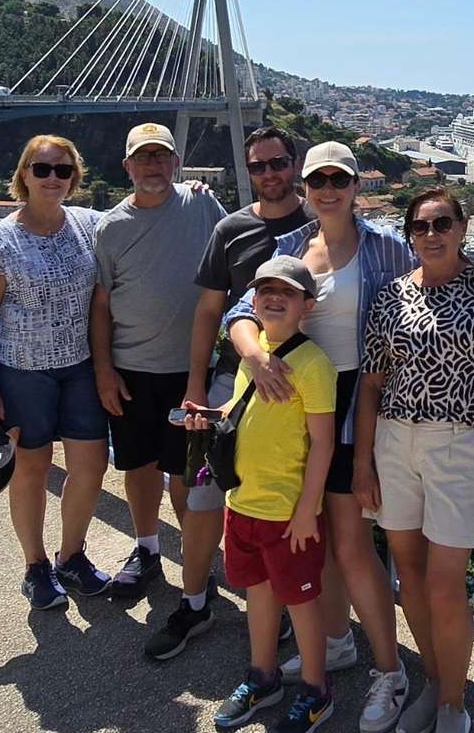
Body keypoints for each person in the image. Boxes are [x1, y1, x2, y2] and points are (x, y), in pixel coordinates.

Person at [223, 142, 474, 732]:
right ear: (304, 187)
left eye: (339, 179)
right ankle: (336, 642)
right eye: (317, 180)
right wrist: (256, 357)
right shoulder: (289, 248)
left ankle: (389, 670)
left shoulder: (385, 247)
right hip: (293, 407)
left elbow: (437, 260)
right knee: (313, 536)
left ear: (354, 186)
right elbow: (241, 313)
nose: (327, 189)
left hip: (355, 405)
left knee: (351, 544)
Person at [356, 188, 474, 733]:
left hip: (458, 444)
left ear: (462, 229)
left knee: (444, 583)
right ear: (409, 235)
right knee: (409, 572)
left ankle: (454, 703)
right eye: (421, 226)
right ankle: (433, 681)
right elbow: (371, 384)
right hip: (393, 441)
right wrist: (363, 463)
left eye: (442, 223)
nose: (432, 234)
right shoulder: (391, 296)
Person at [143, 125, 311, 660]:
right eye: (258, 166)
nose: (269, 174)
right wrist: (196, 387)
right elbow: (209, 312)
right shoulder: (231, 229)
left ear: (295, 164)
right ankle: (194, 602)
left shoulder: (321, 223)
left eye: (278, 163)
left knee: (284, 503)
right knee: (204, 499)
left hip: (301, 390)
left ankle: (279, 608)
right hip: (232, 383)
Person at [180, 255, 337, 733]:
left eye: (286, 292)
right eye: (265, 289)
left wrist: (308, 510)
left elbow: (323, 442)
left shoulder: (313, 365)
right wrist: (207, 417)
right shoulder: (257, 357)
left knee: (302, 603)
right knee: (259, 593)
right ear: (253, 300)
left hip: (288, 512)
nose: (274, 298)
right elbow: (240, 409)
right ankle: (262, 675)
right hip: (242, 502)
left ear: (307, 306)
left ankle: (316, 689)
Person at [0, 134, 113, 610]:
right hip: (22, 371)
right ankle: (35, 566)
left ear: (74, 178)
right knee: (31, 467)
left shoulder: (89, 225)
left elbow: (139, 215)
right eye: (43, 169)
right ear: (24, 175)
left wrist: (189, 190)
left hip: (80, 367)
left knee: (91, 464)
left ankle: (71, 556)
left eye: (63, 170)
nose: (53, 178)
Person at [92, 122, 227, 599]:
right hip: (131, 369)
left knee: (188, 474)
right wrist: (104, 371)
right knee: (139, 466)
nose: (153, 164)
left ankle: (197, 563)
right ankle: (147, 549)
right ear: (127, 166)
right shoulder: (111, 228)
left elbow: (239, 246)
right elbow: (101, 305)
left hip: (192, 370)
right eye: (143, 157)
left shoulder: (202, 204)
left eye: (161, 155)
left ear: (176, 163)